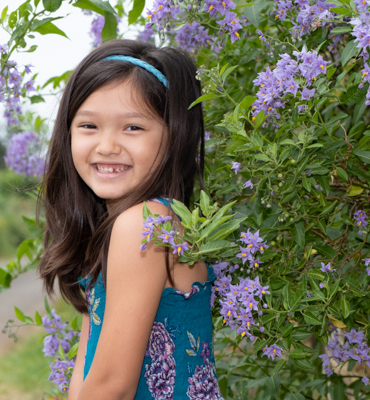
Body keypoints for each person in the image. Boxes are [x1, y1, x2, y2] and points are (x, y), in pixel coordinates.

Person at [37, 39, 223, 400]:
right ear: (67, 133)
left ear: (174, 137)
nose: (107, 145)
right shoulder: (125, 226)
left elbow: (113, 387)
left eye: (133, 128)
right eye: (89, 126)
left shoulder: (146, 222)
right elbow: (89, 374)